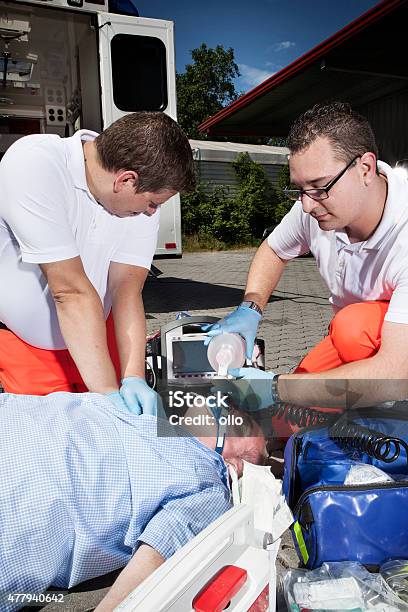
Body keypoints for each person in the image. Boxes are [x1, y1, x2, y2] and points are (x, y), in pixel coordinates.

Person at [206, 101, 408, 426]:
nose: (307, 204)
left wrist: (275, 386)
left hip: (394, 356)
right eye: (299, 189)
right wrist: (250, 307)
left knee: (352, 329)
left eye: (319, 187)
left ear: (366, 169)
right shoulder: (315, 207)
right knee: (283, 423)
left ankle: (382, 416)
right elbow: (273, 251)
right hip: (351, 341)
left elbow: (394, 372)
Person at [0, 112, 195, 415]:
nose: (152, 213)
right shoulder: (34, 163)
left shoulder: (137, 202)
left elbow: (126, 290)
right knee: (61, 446)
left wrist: (133, 376)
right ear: (126, 180)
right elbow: (69, 290)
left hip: (96, 337)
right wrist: (107, 395)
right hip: (30, 347)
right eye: (154, 202)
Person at [0, 391, 266, 611]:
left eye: (237, 425)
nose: (220, 405)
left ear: (235, 466)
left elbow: (154, 560)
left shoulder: (206, 483)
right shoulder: (129, 411)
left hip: (22, 506)